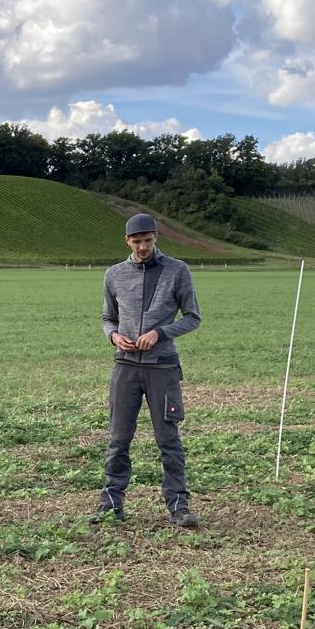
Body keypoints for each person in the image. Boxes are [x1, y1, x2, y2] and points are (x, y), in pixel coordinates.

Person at [92, 213, 202, 527]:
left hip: (162, 368)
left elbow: (193, 317)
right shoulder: (113, 274)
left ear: (156, 238)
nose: (143, 246)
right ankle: (111, 505)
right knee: (118, 438)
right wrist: (113, 336)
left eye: (148, 240)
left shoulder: (177, 270)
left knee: (168, 439)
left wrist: (161, 332)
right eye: (137, 241)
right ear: (127, 241)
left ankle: (179, 507)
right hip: (124, 367)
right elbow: (107, 318)